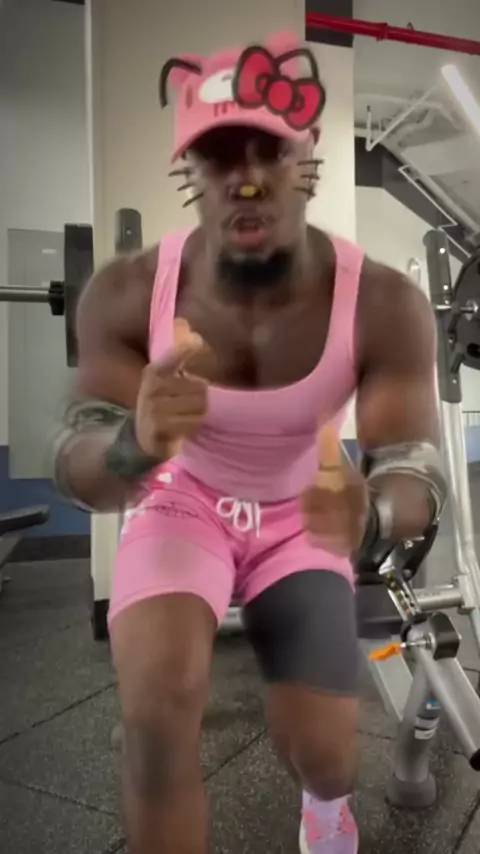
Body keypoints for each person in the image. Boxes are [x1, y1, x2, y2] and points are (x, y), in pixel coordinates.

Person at [52, 32, 447, 854]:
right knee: (154, 722)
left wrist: (371, 514)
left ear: (309, 156)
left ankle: (325, 807)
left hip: (301, 515)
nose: (248, 176)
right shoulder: (128, 292)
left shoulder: (382, 302)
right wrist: (134, 443)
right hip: (182, 503)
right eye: (220, 153)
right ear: (189, 170)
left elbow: (416, 470)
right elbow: (79, 466)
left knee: (328, 754)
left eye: (271, 149)